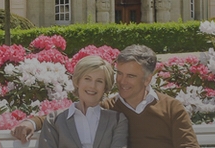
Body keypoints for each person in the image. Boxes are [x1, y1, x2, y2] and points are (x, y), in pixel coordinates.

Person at [11, 45, 198, 148]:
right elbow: (68, 115)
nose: (122, 81)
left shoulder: (171, 108)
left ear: (148, 78)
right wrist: (33, 122)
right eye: (120, 73)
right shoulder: (111, 107)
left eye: (131, 76)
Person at [35, 55, 129, 148]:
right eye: (87, 79)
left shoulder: (117, 120)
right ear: (77, 81)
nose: (92, 86)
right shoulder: (54, 120)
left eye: (99, 81)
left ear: (105, 87)